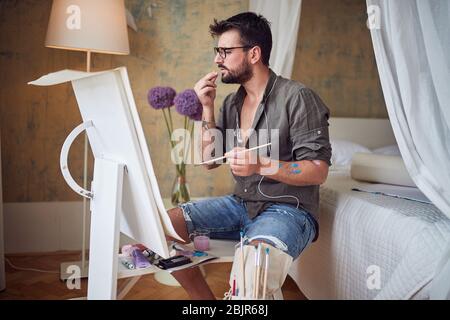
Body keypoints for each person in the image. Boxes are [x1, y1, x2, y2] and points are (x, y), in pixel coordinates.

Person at [167, 12, 331, 300]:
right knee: (164, 226)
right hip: (240, 204)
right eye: (217, 51)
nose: (218, 59)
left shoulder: (298, 97)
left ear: (254, 54)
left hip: (288, 209)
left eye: (226, 51)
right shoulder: (232, 102)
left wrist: (261, 165)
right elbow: (209, 160)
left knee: (253, 268)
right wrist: (207, 106)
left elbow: (317, 171)